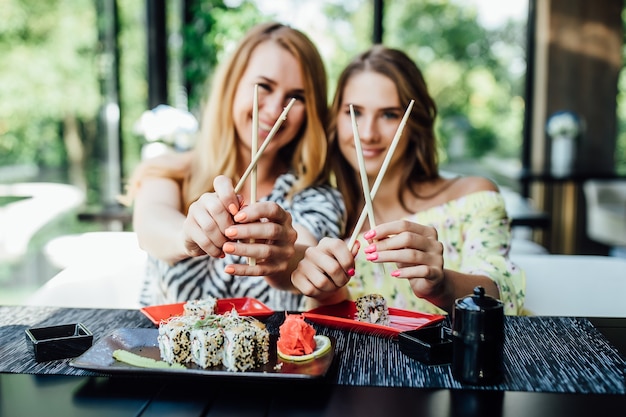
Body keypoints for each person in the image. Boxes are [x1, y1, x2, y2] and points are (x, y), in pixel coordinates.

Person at [122, 22, 345, 311]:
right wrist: (186, 235)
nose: (276, 110)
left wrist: (284, 259)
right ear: (232, 85)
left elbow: (302, 248)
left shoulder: (318, 197)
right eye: (264, 86)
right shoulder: (168, 172)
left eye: (296, 97)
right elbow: (151, 228)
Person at [291, 45, 525, 315]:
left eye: (389, 114)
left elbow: (500, 294)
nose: (367, 133)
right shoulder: (325, 218)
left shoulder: (473, 198)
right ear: (334, 120)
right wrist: (324, 290)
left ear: (415, 124)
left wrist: (441, 286)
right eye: (354, 113)